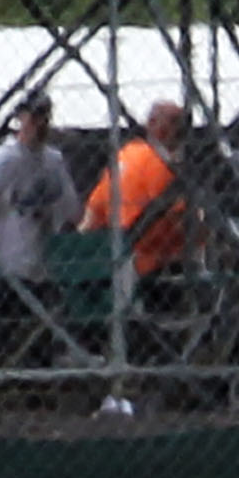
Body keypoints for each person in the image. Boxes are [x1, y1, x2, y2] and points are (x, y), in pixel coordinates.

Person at [0, 98, 71, 377]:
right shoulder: (0, 160)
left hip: (43, 265)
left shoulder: (53, 161)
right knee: (2, 338)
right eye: (34, 117)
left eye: (44, 117)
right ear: (20, 119)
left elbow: (69, 211)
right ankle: (0, 390)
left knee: (40, 344)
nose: (40, 124)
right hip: (5, 265)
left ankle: (36, 394)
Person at [82, 101, 188, 350]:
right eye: (173, 122)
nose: (180, 129)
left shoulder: (124, 156)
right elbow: (180, 218)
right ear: (153, 125)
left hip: (119, 263)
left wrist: (79, 254)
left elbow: (93, 212)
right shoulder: (158, 163)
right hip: (153, 266)